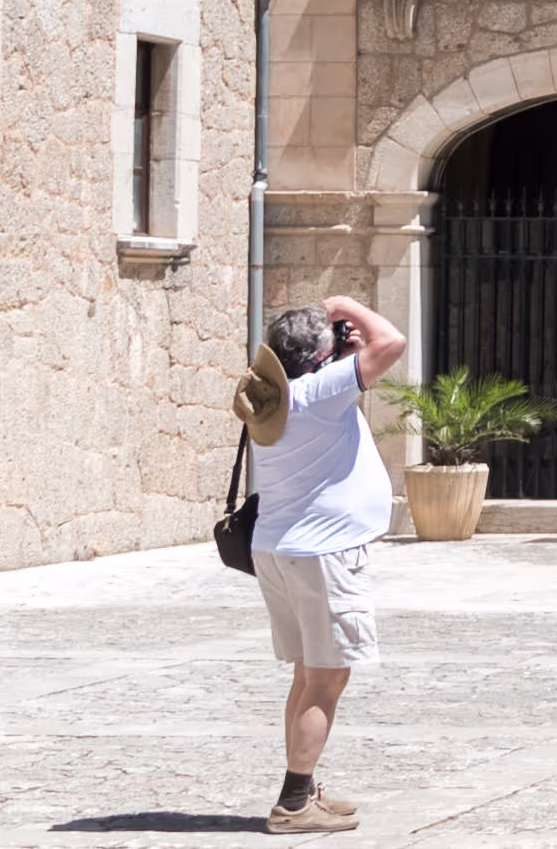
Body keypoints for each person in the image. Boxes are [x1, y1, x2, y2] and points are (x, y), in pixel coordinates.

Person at [236, 294, 405, 835]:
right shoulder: (319, 392)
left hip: (280, 550)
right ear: (317, 358)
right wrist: (345, 304)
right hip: (324, 555)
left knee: (308, 674)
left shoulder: (277, 398)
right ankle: (292, 804)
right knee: (328, 680)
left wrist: (334, 345)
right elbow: (392, 343)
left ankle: (303, 786)